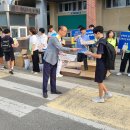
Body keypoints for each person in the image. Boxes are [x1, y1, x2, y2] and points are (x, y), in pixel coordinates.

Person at [43, 26, 80, 98]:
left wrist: (63, 54)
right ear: (60, 30)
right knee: (46, 77)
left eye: (66, 31)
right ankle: (44, 91)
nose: (66, 33)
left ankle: (53, 90)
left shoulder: (60, 38)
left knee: (53, 76)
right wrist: (72, 49)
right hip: (48, 59)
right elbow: (60, 47)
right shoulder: (54, 37)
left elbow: (58, 49)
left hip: (55, 59)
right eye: (65, 31)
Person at [85, 26, 112, 103]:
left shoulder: (101, 43)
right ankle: (107, 93)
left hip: (101, 64)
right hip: (104, 64)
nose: (94, 36)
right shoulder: (104, 40)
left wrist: (90, 54)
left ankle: (101, 98)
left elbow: (99, 56)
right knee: (100, 80)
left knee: (99, 81)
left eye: (94, 34)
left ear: (98, 33)